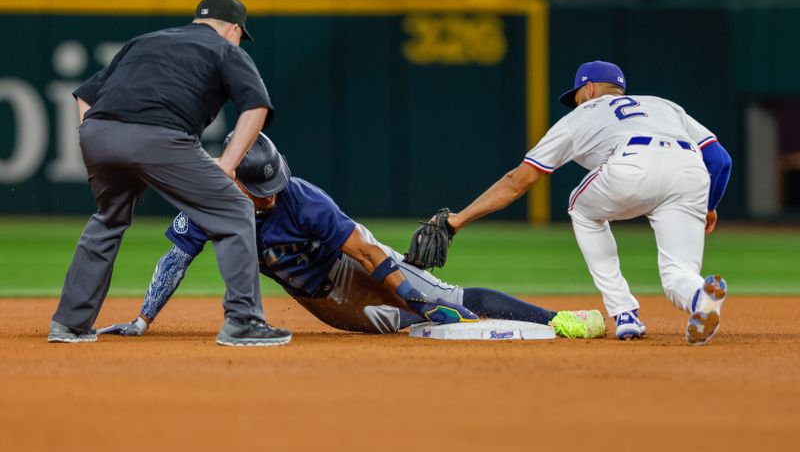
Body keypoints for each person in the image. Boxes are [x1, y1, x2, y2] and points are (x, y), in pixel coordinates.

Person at [97, 133, 606, 340]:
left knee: (437, 300)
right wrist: (142, 320)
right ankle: (447, 318)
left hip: (349, 261)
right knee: (402, 328)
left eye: (274, 185)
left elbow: (363, 252)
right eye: (260, 191)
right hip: (317, 297)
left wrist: (412, 291)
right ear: (229, 176)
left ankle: (558, 320)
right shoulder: (208, 200)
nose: (271, 197)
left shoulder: (303, 198)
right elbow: (175, 259)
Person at [432, 60, 732, 346]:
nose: (575, 104)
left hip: (632, 163)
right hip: (690, 172)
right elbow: (720, 160)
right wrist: (708, 206)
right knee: (678, 272)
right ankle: (699, 297)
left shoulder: (577, 118)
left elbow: (517, 182)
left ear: (588, 90)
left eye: (575, 97)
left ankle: (624, 312)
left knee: (581, 208)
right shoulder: (665, 105)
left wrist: (459, 220)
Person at [49, 0, 291, 348]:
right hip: (159, 137)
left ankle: (69, 324)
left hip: (98, 134)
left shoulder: (144, 41)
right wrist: (228, 163)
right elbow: (255, 107)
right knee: (233, 208)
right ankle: (243, 321)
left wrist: (93, 135)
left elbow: (84, 95)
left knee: (108, 219)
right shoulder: (226, 49)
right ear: (233, 29)